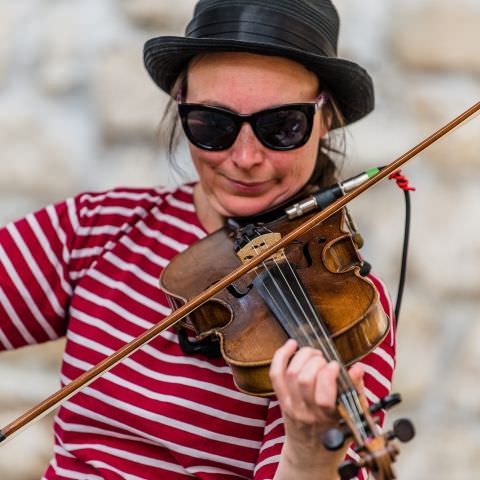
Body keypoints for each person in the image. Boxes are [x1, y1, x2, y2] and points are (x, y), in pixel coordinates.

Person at [0, 1, 396, 479]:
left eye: (282, 127)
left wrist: (311, 451)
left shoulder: (341, 305)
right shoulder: (102, 226)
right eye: (213, 124)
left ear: (325, 117)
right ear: (181, 107)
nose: (245, 157)